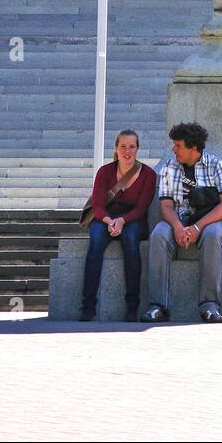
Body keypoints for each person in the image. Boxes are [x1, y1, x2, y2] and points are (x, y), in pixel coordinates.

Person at [141, 121, 222, 324]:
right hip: (179, 218)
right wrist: (177, 226)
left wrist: (197, 227)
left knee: (213, 235)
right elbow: (166, 206)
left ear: (193, 147)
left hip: (210, 220)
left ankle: (209, 306)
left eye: (178, 146)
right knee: (158, 233)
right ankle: (158, 306)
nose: (173, 150)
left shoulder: (216, 165)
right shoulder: (169, 166)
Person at [80, 129, 156, 323]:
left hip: (133, 219)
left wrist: (122, 221)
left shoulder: (148, 174)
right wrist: (109, 221)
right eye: (123, 146)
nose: (127, 151)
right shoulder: (104, 172)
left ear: (138, 149)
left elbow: (141, 208)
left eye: (132, 146)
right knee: (96, 241)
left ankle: (132, 306)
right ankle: (88, 306)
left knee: (130, 241)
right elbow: (97, 206)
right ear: (116, 148)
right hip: (106, 217)